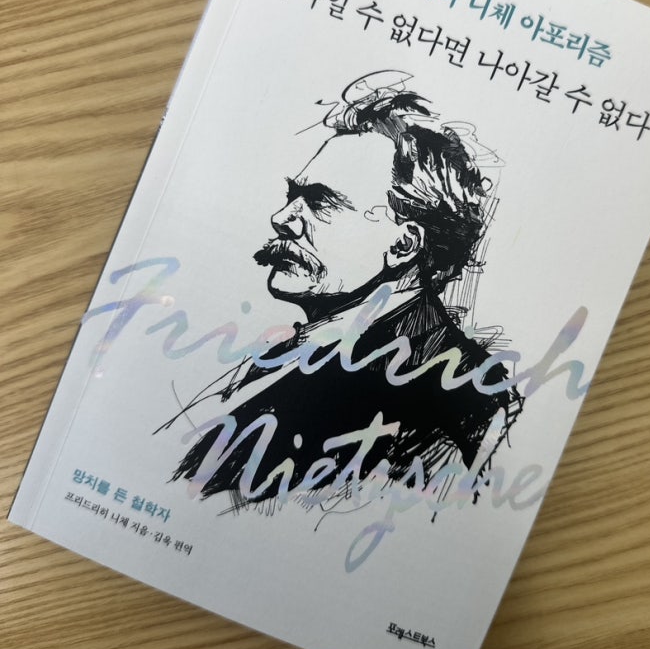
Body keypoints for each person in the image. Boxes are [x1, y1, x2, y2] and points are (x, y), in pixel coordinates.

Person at [169, 71, 522, 511]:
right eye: (292, 196)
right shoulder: (289, 351)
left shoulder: (463, 398)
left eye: (319, 202)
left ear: (404, 244)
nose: (282, 218)